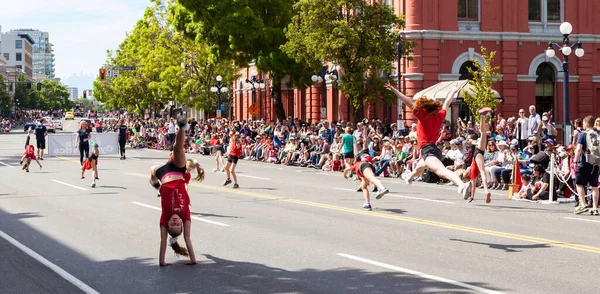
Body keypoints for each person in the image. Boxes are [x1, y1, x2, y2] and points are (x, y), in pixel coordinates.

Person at [386, 82, 472, 200]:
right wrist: (453, 91)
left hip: (428, 150)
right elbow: (447, 102)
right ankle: (410, 176)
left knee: (441, 171)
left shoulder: (423, 115)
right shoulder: (440, 115)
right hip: (434, 149)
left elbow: (407, 101)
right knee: (419, 168)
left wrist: (394, 90)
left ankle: (462, 185)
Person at [148, 116, 198, 266]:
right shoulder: (185, 216)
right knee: (178, 147)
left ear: (167, 224)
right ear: (182, 224)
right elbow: (187, 238)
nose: (175, 222)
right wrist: (193, 260)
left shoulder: (164, 218)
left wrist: (162, 262)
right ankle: (182, 126)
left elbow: (163, 240)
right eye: (178, 225)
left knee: (152, 171)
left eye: (172, 225)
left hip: (163, 175)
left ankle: (154, 184)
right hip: (177, 171)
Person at [574, 115, 600, 215]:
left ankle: (583, 204)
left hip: (585, 162)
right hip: (596, 163)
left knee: (579, 183)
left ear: (586, 124)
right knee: (594, 185)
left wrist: (575, 161)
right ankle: (594, 207)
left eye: (584, 123)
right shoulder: (598, 134)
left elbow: (579, 149)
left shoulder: (583, 135)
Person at [467, 108, 493, 203]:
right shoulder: (473, 172)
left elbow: (473, 184)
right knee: (481, 173)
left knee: (481, 173)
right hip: (478, 153)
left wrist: (472, 197)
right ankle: (482, 193)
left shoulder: (472, 172)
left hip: (477, 153)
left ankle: (486, 191)